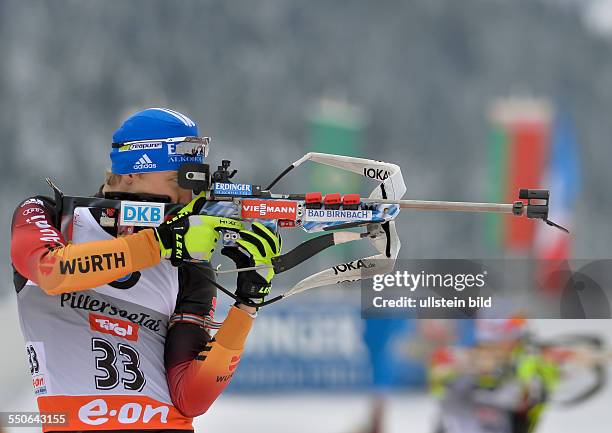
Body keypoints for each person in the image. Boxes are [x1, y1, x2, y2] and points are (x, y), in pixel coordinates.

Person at [10, 108, 281, 432]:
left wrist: (248, 302)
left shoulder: (188, 265)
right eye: (176, 180)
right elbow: (51, 271)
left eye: (194, 183)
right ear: (129, 175)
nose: (187, 196)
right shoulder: (51, 217)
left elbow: (191, 398)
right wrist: (159, 242)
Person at [429, 317, 559, 433]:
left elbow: (528, 406)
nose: (490, 357)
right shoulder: (458, 381)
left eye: (495, 353)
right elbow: (440, 382)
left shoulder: (515, 380)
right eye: (485, 351)